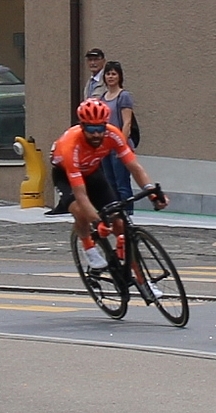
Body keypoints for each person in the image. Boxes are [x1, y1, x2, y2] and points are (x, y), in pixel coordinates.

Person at [50, 99, 167, 295]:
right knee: (81, 212)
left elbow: (134, 166)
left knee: (119, 222)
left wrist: (150, 190)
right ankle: (90, 251)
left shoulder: (113, 133)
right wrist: (97, 222)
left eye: (100, 128)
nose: (96, 134)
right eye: (90, 128)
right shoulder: (70, 146)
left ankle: (142, 281)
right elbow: (81, 195)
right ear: (82, 126)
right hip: (66, 176)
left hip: (93, 172)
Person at [100, 61, 136, 213]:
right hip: (105, 146)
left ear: (119, 76)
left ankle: (127, 212)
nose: (110, 77)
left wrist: (121, 144)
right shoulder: (102, 97)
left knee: (122, 182)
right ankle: (115, 211)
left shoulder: (124, 96)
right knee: (110, 182)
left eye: (114, 73)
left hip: (119, 146)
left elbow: (127, 122)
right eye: (108, 73)